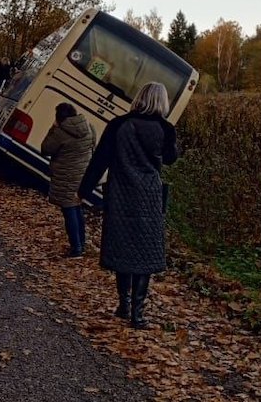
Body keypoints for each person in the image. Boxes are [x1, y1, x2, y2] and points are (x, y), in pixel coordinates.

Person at [78, 82, 179, 329]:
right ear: (162, 102)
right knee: (145, 251)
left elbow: (100, 159)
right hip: (149, 197)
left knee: (123, 248)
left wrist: (83, 190)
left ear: (139, 98)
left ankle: (123, 304)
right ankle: (138, 314)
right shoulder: (165, 129)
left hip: (121, 194)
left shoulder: (118, 125)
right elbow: (171, 159)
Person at [41, 103, 96, 258]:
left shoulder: (60, 132)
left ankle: (76, 248)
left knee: (69, 210)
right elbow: (93, 146)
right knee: (77, 207)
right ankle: (82, 243)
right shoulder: (89, 127)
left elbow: (45, 149)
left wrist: (53, 129)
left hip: (65, 177)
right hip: (82, 176)